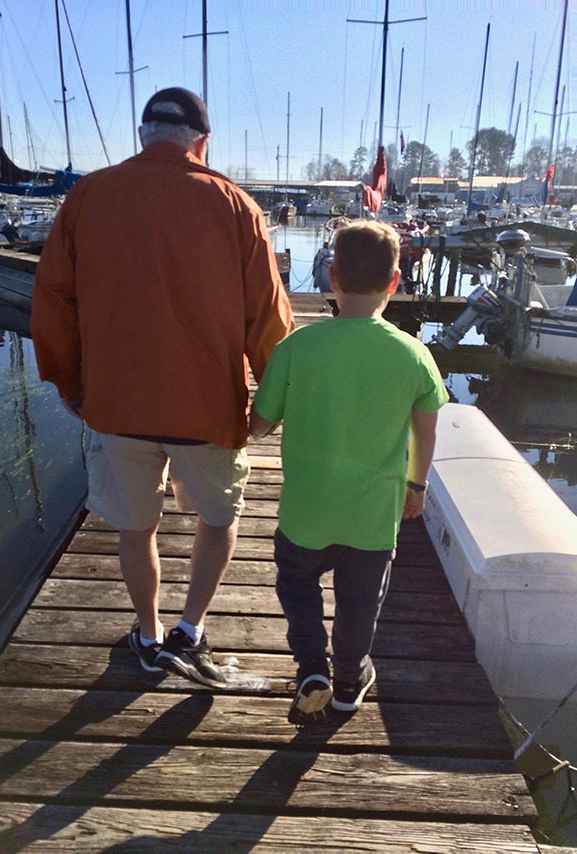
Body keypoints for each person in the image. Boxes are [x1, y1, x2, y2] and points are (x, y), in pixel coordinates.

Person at [31, 87, 294, 689]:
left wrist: (69, 382)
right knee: (220, 518)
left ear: (143, 134)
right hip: (208, 407)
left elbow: (52, 298)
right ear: (203, 141)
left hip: (117, 404)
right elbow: (271, 321)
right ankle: (191, 630)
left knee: (135, 527)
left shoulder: (88, 195)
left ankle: (148, 636)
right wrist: (267, 408)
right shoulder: (236, 205)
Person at [250, 220, 448, 724]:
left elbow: (259, 424)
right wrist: (416, 486)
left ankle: (312, 666)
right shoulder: (415, 356)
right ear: (395, 282)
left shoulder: (296, 347)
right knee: (360, 604)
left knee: (297, 585)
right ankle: (348, 679)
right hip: (372, 519)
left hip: (306, 513)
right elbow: (424, 435)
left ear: (331, 277)